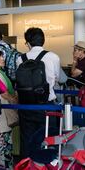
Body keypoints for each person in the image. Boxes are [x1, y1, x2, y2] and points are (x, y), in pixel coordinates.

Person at [16, 27, 61, 158]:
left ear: (28, 43)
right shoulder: (53, 57)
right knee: (48, 138)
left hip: (26, 106)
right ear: (43, 41)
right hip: (46, 105)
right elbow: (57, 78)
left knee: (27, 139)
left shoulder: (21, 58)